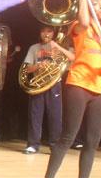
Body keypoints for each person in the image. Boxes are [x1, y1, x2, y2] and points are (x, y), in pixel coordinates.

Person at [38, 0, 101, 178]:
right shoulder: (79, 27)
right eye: (96, 3)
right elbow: (83, 21)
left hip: (98, 90)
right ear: (87, 6)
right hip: (78, 86)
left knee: (92, 141)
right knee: (67, 137)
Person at [22, 26, 73, 154]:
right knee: (35, 115)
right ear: (40, 33)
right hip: (38, 83)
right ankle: (33, 144)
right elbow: (27, 69)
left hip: (54, 85)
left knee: (55, 116)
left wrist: (58, 47)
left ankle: (55, 145)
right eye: (43, 31)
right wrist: (38, 65)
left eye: (49, 31)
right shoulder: (34, 48)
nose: (46, 34)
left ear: (54, 33)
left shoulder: (59, 47)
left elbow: (73, 58)